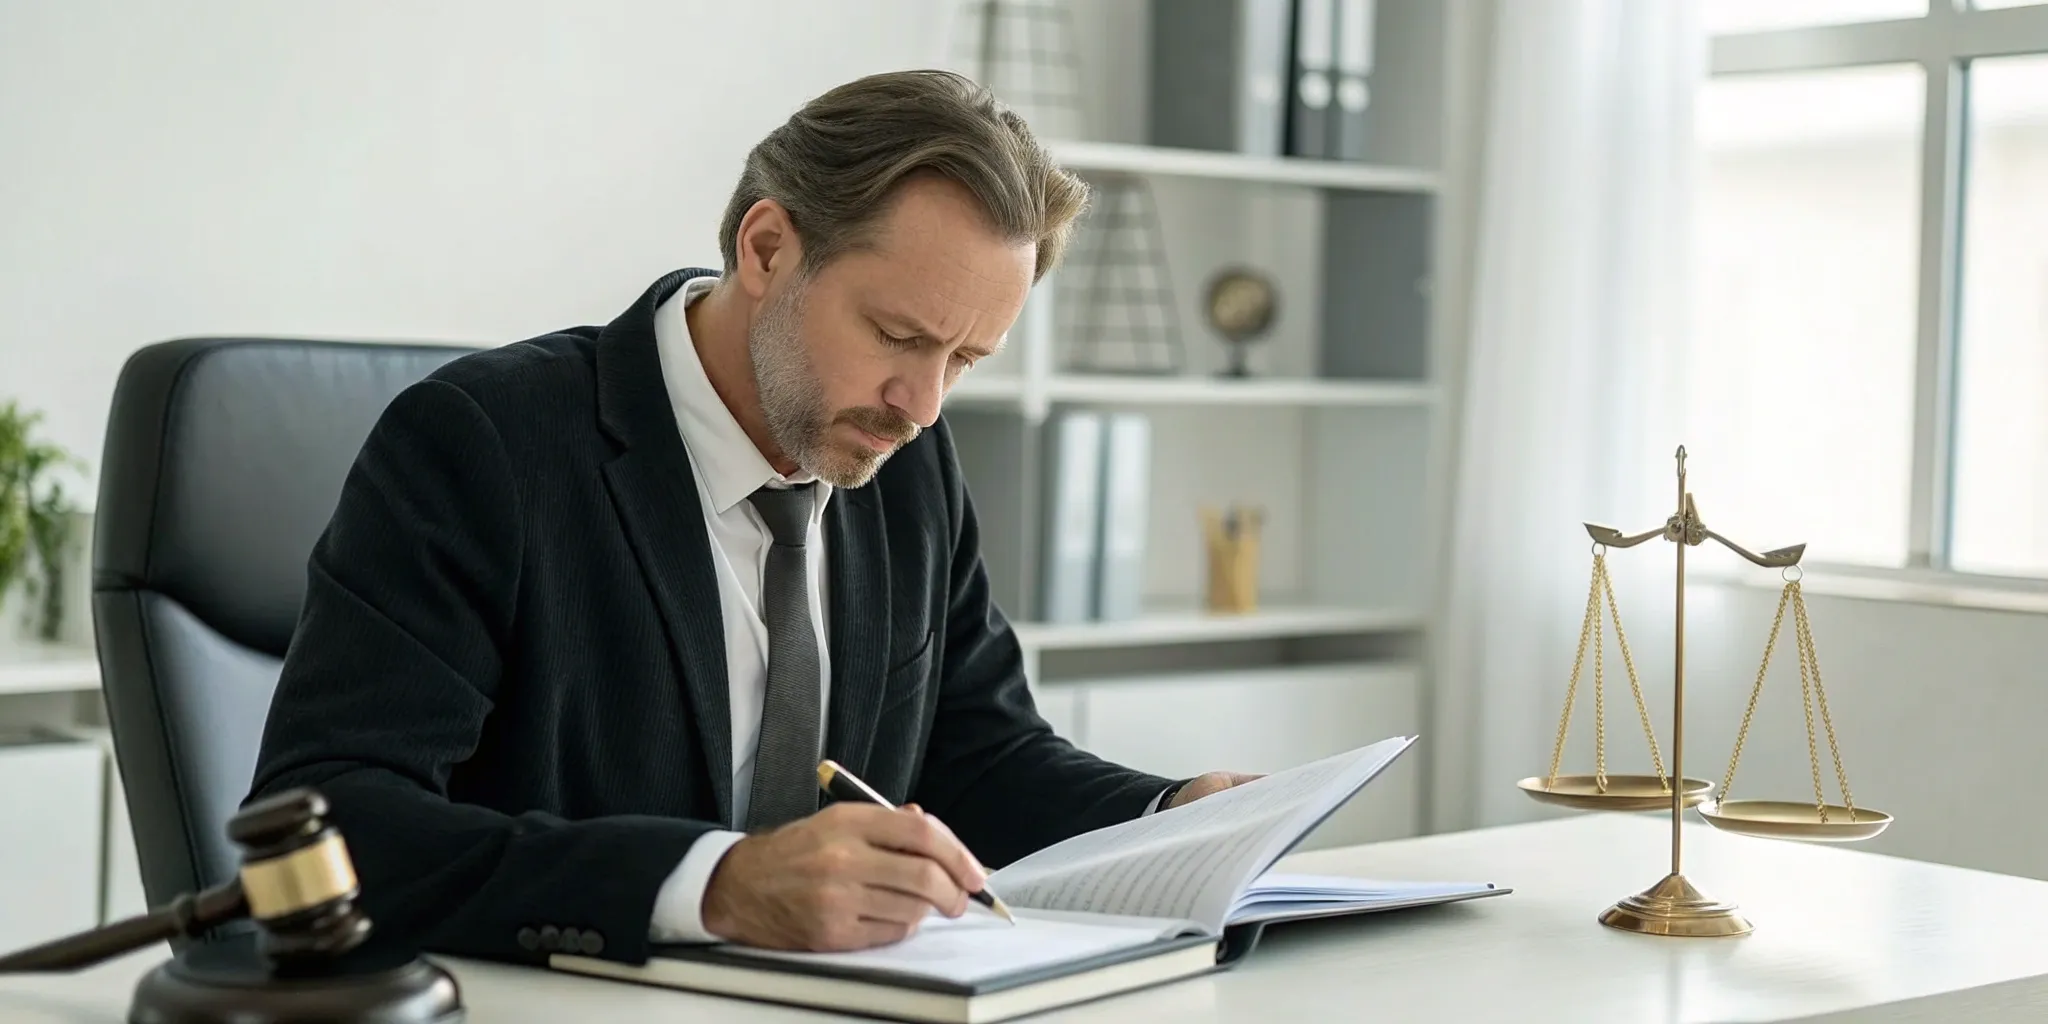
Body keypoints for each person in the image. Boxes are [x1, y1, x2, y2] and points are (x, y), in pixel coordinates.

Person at [244, 69, 1258, 968]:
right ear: (767, 247)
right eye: (898, 334)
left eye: (965, 359)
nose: (923, 402)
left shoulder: (907, 460)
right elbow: (336, 822)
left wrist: (1171, 821)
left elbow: (979, 755)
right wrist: (714, 885)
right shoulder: (483, 446)